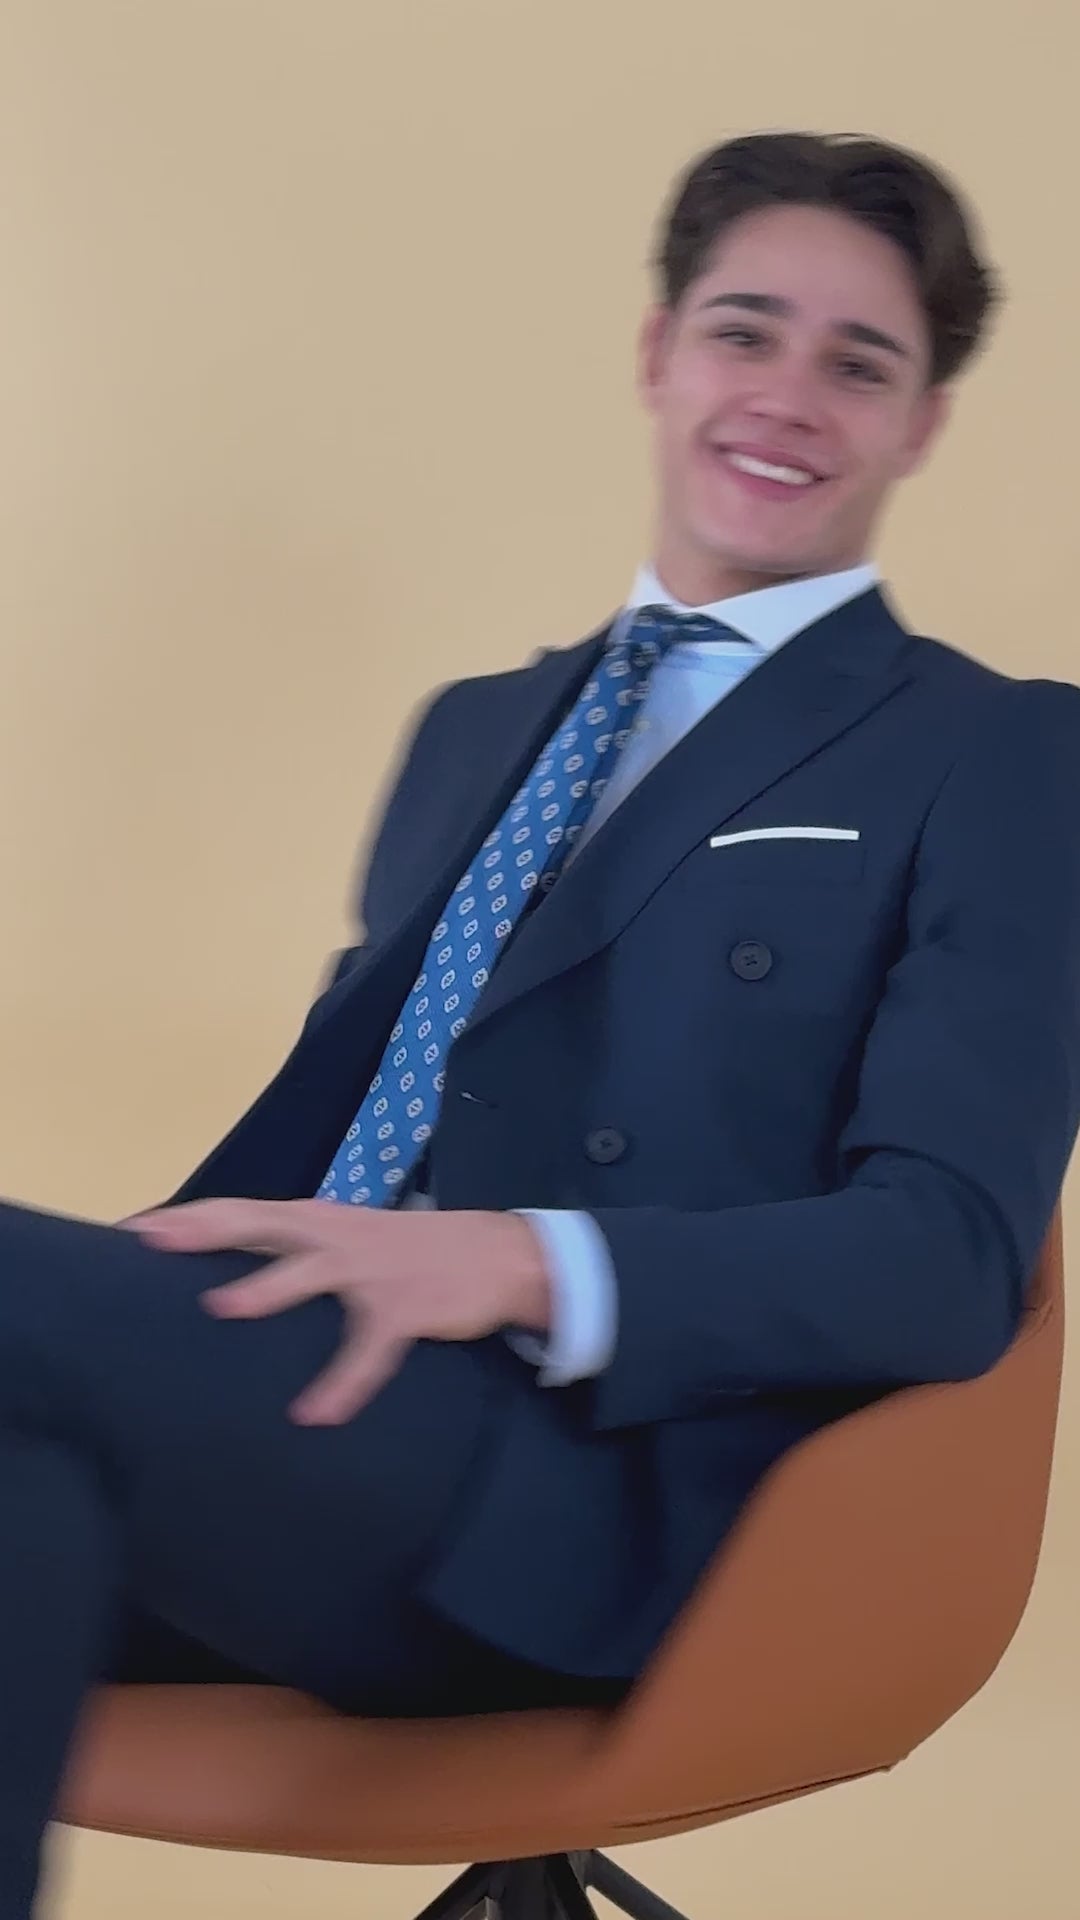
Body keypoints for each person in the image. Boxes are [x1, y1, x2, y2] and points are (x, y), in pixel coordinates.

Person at [5, 128, 1080, 1916]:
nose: (789, 393)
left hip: (608, 1499)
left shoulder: (997, 748)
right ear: (659, 354)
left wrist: (516, 1264)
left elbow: (953, 1253)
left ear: (921, 427)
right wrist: (151, 1308)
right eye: (745, 332)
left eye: (860, 362)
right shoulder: (468, 730)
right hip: (300, 1401)